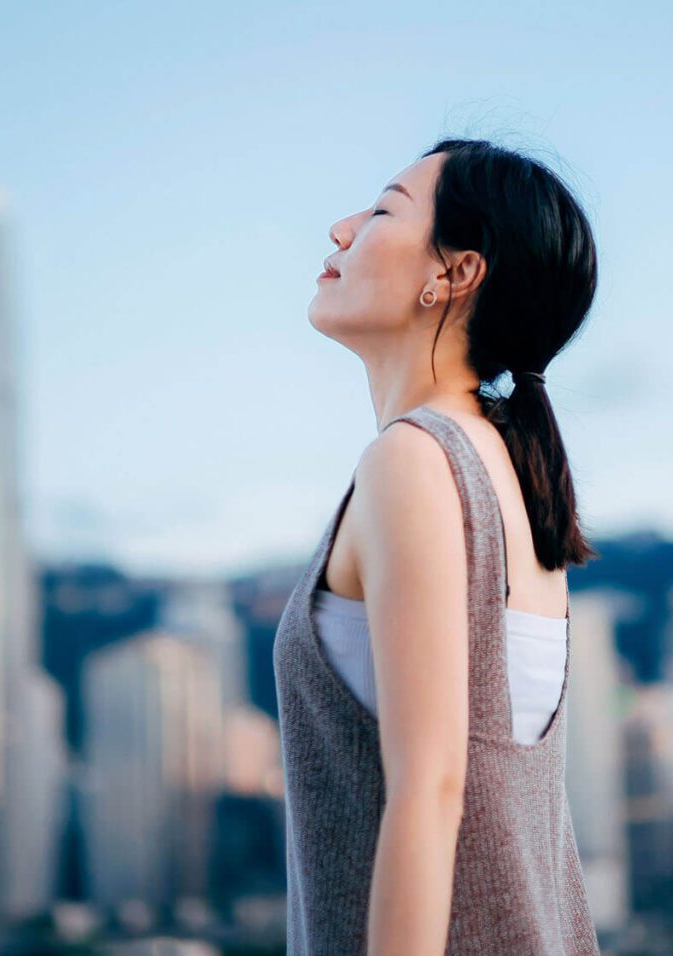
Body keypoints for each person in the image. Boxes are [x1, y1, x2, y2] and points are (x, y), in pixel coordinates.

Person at [273, 137, 602, 954]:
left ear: (455, 273)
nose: (342, 229)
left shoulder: (415, 462)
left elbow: (432, 789)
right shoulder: (511, 477)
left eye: (383, 210)